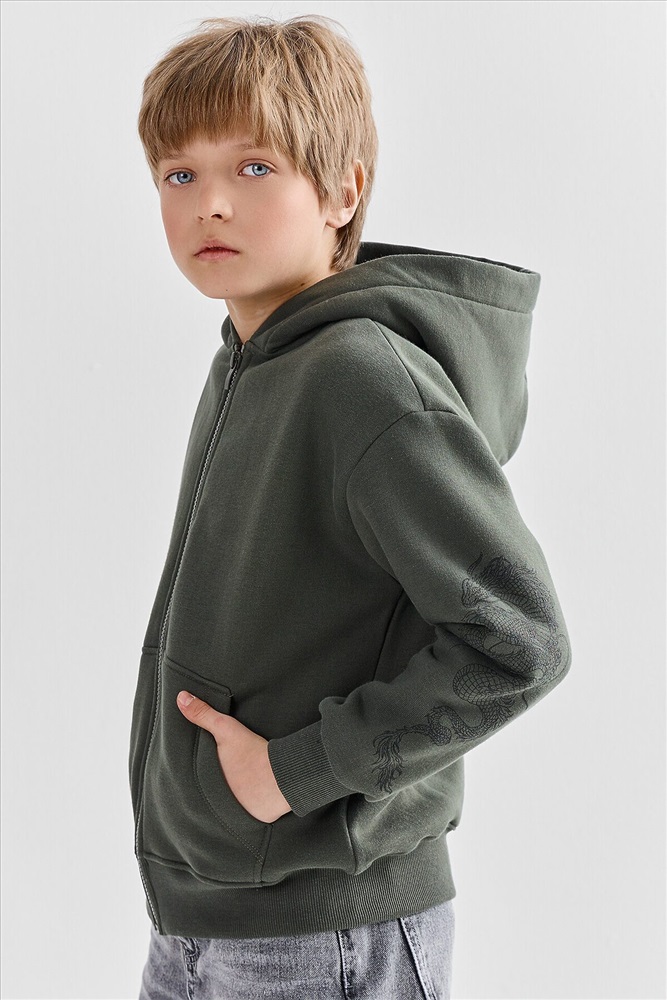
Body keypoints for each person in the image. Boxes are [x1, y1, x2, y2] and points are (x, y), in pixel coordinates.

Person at [129, 14, 572, 1000]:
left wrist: (297, 770)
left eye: (253, 168)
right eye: (178, 173)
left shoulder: (360, 377)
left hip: (323, 929)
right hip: (205, 917)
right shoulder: (251, 358)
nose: (209, 204)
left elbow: (520, 640)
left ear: (341, 192)